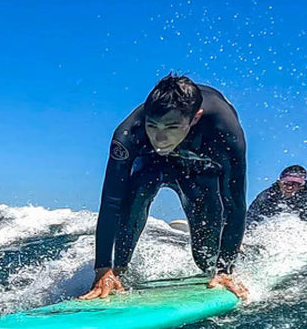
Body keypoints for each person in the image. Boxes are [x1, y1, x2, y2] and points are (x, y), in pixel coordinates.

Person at [80, 74, 249, 300]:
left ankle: (223, 264)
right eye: (152, 126)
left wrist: (225, 270)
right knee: (138, 189)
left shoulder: (225, 130)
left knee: (205, 259)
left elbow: (234, 202)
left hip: (199, 166)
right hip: (151, 162)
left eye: (172, 127)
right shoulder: (128, 133)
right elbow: (111, 201)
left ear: (195, 118)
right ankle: (117, 274)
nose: (160, 137)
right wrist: (102, 267)